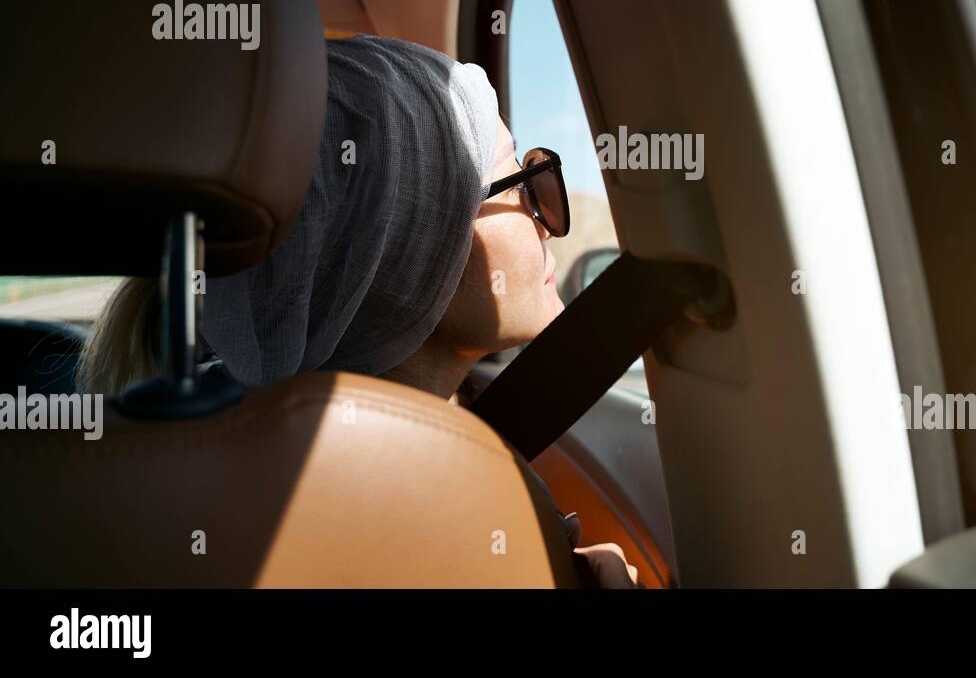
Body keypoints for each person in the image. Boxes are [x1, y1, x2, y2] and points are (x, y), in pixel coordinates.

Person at [78, 33, 638, 588]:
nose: (548, 215)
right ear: (412, 248)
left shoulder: (227, 501)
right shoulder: (439, 519)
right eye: (521, 179)